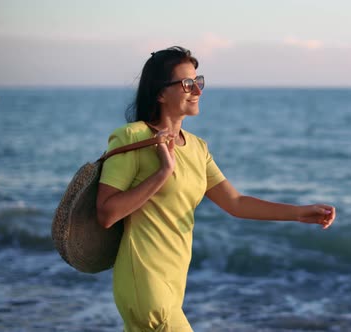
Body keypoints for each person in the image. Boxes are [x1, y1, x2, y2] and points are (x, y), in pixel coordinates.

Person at [96, 46, 336, 332]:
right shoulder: (132, 137)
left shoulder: (197, 148)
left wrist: (299, 213)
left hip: (174, 282)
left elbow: (235, 202)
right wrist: (163, 172)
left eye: (199, 82)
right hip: (144, 280)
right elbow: (107, 213)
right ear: (160, 93)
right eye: (187, 83)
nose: (197, 90)